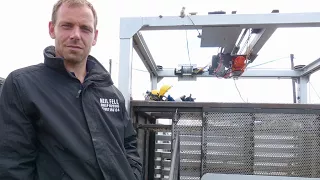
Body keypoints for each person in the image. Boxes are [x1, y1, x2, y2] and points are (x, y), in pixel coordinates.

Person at [0, 0, 142, 179]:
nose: (76, 35)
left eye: (85, 28)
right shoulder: (22, 85)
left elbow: (129, 144)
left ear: (95, 36)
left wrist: (133, 175)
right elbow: (13, 165)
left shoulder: (111, 92)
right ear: (52, 29)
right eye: (67, 26)